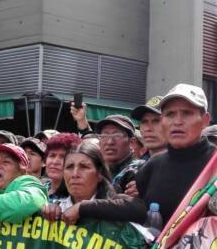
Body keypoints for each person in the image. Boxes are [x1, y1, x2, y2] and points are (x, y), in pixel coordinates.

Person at [137, 83, 214, 226]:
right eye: (169, 114)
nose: (177, 122)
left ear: (205, 120)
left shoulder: (214, 164)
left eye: (187, 113)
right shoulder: (151, 167)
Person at [41, 141, 147, 224]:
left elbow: (139, 210)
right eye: (69, 167)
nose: (75, 174)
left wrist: (82, 208)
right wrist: (49, 210)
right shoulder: (56, 206)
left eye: (84, 167)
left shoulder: (114, 203)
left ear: (99, 174)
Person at [94, 115, 141, 193]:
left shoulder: (139, 171)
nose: (109, 142)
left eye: (117, 136)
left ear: (131, 142)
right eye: (104, 136)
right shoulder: (94, 169)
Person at [43, 133, 82, 202]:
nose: (55, 162)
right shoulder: (38, 189)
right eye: (52, 155)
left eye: (63, 157)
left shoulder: (77, 198)